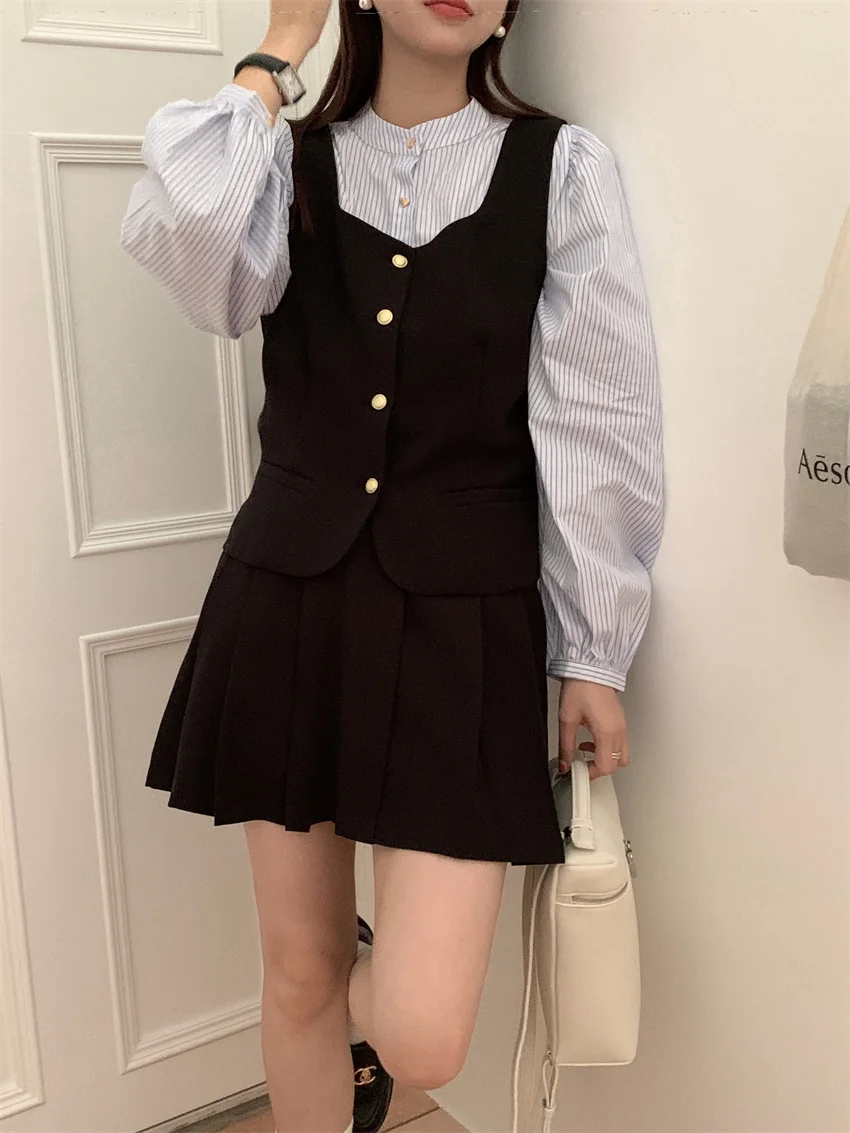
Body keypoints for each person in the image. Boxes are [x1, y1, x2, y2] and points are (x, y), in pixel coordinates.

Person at [119, 0, 665, 1127]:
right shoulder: (281, 164)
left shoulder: (561, 170)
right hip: (288, 603)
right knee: (297, 970)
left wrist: (593, 651)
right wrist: (280, 48)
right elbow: (195, 264)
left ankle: (358, 1008)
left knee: (423, 1030)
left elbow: (595, 417)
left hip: (466, 619)